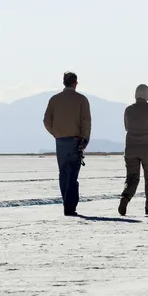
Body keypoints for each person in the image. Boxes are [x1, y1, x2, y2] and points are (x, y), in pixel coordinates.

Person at [42, 71, 91, 216]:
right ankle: (70, 207)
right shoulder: (81, 100)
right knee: (73, 175)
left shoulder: (55, 99)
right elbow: (86, 122)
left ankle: (66, 203)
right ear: (75, 82)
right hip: (76, 141)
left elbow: (46, 121)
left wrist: (56, 133)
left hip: (61, 141)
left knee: (63, 173)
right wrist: (85, 139)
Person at [118, 84, 148, 217]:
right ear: (147, 95)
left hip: (130, 148)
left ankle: (125, 199)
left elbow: (126, 127)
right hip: (147, 148)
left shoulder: (128, 110)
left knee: (132, 178)